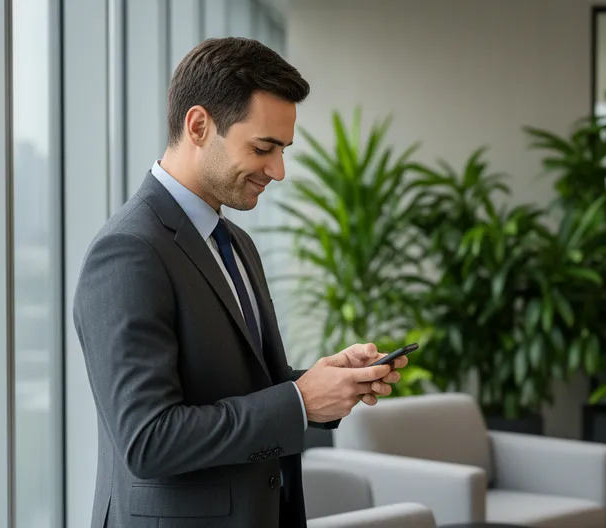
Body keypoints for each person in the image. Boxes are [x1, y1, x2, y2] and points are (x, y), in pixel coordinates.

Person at [73, 37, 408, 528]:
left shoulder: (235, 243)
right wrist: (298, 402)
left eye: (283, 150)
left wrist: (324, 383)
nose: (278, 170)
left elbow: (239, 388)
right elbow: (147, 440)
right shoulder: (128, 252)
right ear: (198, 125)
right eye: (263, 148)